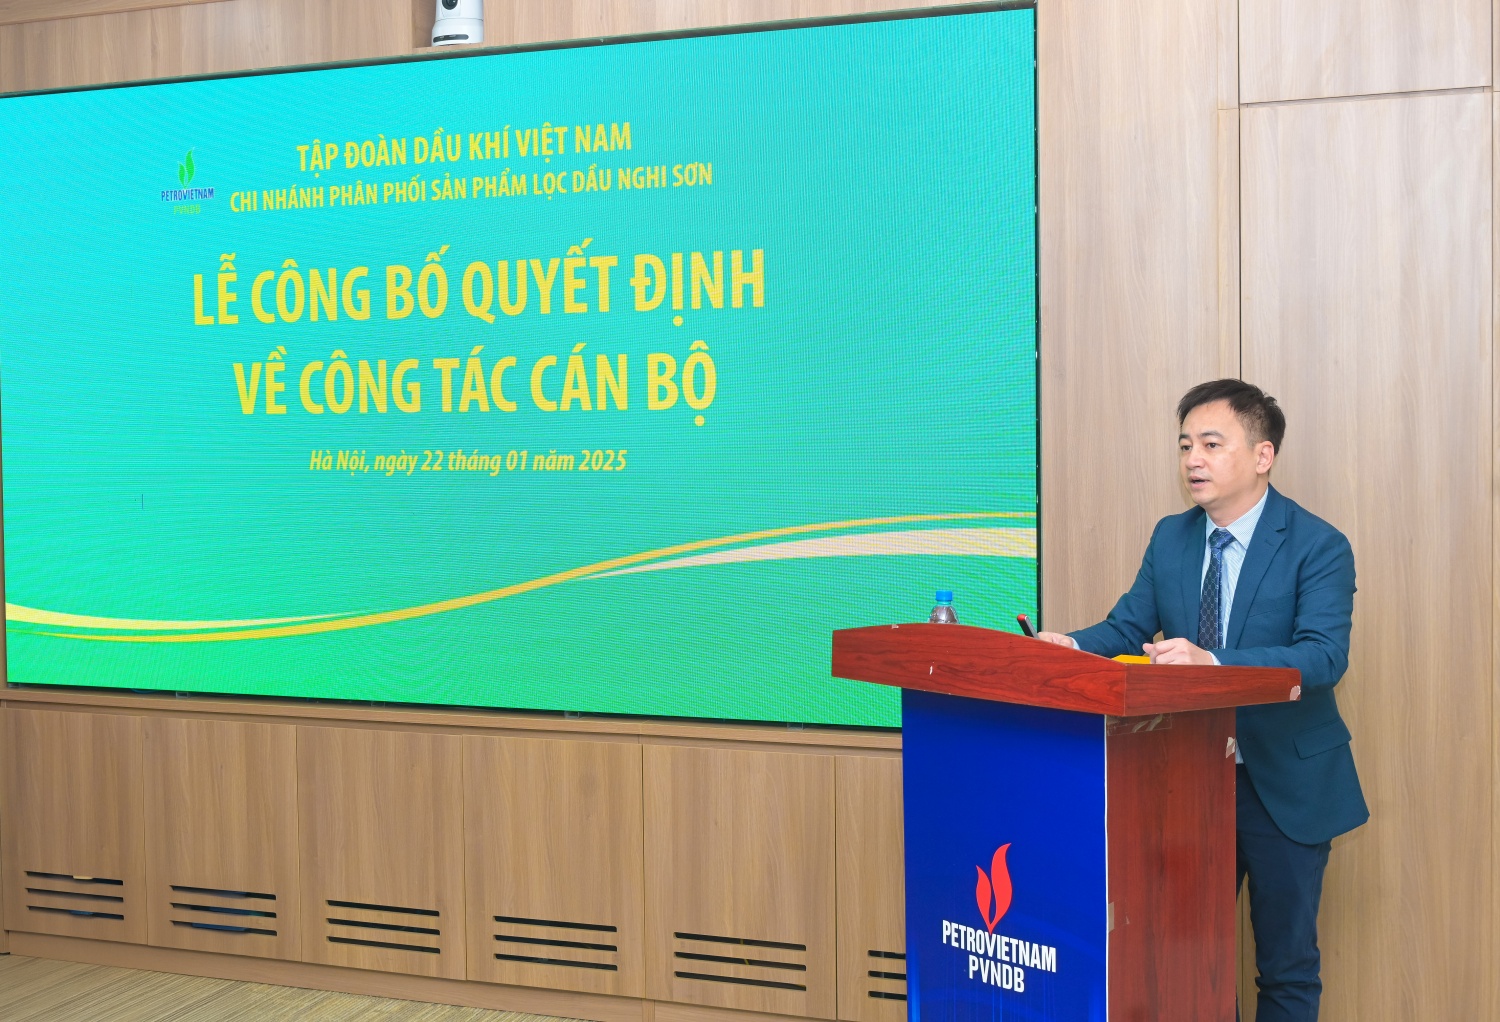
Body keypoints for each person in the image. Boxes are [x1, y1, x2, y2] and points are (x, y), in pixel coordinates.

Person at [1037, 379, 1367, 1022]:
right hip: (1188, 778)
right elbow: (1127, 628)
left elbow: (1324, 656)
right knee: (1187, 961)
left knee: (1287, 967)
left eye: (1212, 444)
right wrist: (1069, 646)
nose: (1193, 459)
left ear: (1263, 455)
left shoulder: (1318, 544)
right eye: (1186, 445)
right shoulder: (1172, 537)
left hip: (1283, 786)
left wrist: (1211, 662)